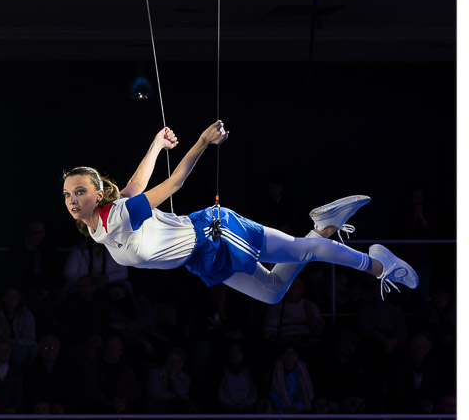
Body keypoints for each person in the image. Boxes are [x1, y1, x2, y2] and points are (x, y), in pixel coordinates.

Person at [62, 123, 415, 304]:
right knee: (274, 292)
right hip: (203, 258)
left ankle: (379, 264)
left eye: (80, 192)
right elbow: (133, 188)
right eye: (67, 195)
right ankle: (322, 229)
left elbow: (173, 184)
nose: (73, 200)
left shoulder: (119, 216)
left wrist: (201, 142)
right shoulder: (97, 224)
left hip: (215, 232)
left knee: (300, 251)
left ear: (96, 193)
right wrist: (156, 144)